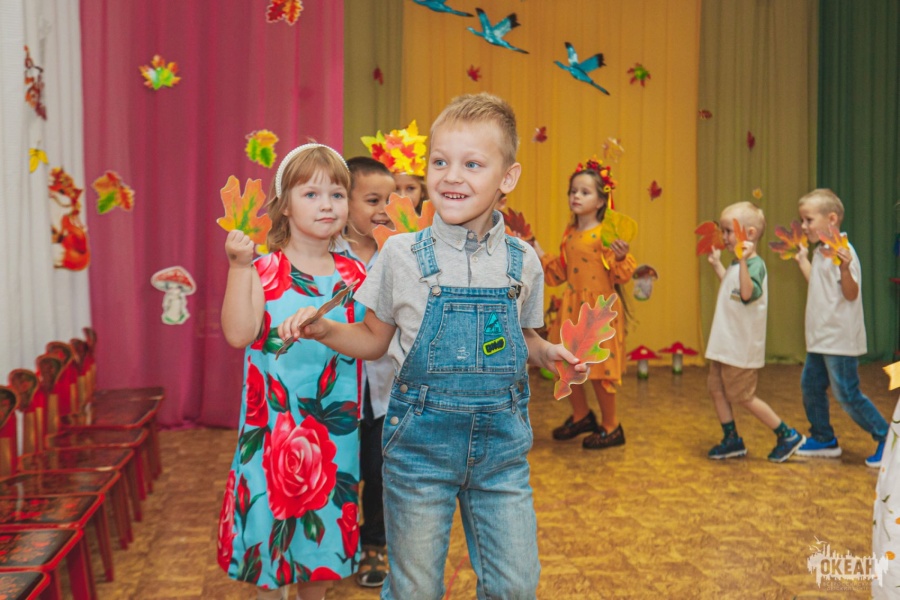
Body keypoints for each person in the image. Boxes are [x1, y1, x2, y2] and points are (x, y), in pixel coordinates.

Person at [279, 92, 584, 600]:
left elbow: (523, 338)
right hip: (419, 450)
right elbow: (374, 340)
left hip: (501, 454)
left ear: (507, 177)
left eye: (472, 164)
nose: (451, 177)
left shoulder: (523, 261)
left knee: (515, 586)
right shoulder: (400, 254)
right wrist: (325, 329)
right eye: (440, 162)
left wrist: (546, 352)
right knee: (416, 589)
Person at [218, 144, 366, 600]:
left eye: (337, 194)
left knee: (317, 554)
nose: (327, 205)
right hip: (270, 434)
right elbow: (238, 334)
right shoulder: (263, 270)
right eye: (311, 194)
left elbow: (372, 340)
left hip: (333, 437)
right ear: (284, 205)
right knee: (270, 547)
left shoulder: (356, 275)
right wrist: (238, 267)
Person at [533, 158, 636, 449]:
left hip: (599, 313)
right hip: (572, 309)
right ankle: (581, 415)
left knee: (600, 372)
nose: (576, 196)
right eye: (572, 191)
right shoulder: (570, 234)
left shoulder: (606, 235)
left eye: (585, 192)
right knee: (566, 365)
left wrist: (620, 257)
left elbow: (621, 274)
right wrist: (533, 245)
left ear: (601, 201)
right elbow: (559, 272)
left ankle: (611, 426)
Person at [792, 188, 888, 467]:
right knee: (811, 386)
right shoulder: (821, 252)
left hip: (839, 340)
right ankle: (823, 438)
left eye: (809, 220)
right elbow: (818, 285)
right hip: (820, 338)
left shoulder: (843, 252)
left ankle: (887, 437)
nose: (803, 226)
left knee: (847, 393)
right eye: (802, 220)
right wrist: (802, 260)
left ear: (831, 219)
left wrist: (845, 269)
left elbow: (851, 293)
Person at [704, 202, 805, 462]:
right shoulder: (738, 265)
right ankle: (732, 440)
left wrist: (742, 262)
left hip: (740, 347)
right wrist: (718, 266)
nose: (724, 237)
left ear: (748, 233)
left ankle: (787, 434)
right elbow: (733, 288)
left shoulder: (754, 265)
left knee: (743, 396)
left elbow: (747, 294)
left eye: (728, 231)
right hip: (724, 345)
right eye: (723, 231)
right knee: (716, 389)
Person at [337, 156, 396, 588]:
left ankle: (374, 543)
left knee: (378, 472)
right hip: (336, 391)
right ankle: (334, 546)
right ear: (345, 202)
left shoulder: (396, 254)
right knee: (340, 471)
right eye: (373, 200)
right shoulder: (325, 254)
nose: (384, 209)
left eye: (390, 200)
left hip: (383, 390)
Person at [362, 120, 429, 214]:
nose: (403, 196)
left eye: (410, 188)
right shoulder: (375, 221)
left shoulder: (433, 222)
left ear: (422, 192)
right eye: (396, 189)